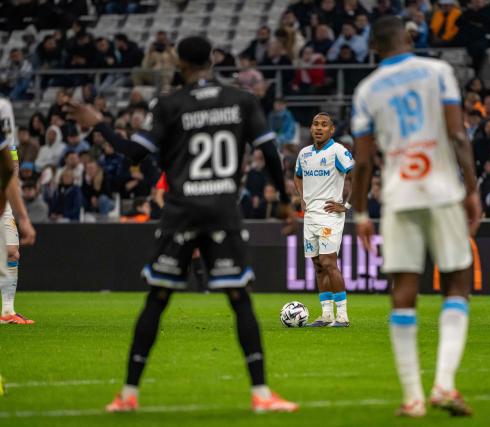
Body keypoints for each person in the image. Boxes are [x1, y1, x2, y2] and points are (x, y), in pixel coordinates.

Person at [67, 36, 299, 414]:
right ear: (212, 59)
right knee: (240, 299)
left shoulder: (170, 105)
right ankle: (261, 394)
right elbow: (270, 152)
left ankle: (128, 395)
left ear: (179, 63)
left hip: (181, 214)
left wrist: (100, 125)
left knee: (156, 301)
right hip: (224, 212)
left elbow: (133, 154)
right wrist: (286, 203)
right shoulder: (241, 100)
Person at [350, 16, 481, 417]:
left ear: (373, 49)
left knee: (403, 288)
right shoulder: (437, 72)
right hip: (442, 189)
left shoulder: (366, 90)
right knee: (457, 281)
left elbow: (362, 161)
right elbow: (458, 135)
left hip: (399, 195)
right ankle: (444, 384)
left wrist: (359, 213)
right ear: (409, 37)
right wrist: (472, 188)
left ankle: (413, 398)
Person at [294, 113, 353, 327]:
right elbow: (297, 175)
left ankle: (343, 316)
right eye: (315, 124)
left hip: (330, 215)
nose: (319, 128)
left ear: (332, 130)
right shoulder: (304, 154)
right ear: (311, 128)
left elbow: (357, 176)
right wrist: (302, 198)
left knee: (329, 262)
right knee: (318, 265)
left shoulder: (337, 151)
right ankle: (326, 315)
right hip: (310, 216)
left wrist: (346, 205)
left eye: (324, 125)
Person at [0, 98, 36, 324]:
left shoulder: (3, 107)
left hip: (1, 196)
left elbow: (9, 156)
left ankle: (7, 311)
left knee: (12, 252)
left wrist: (23, 217)